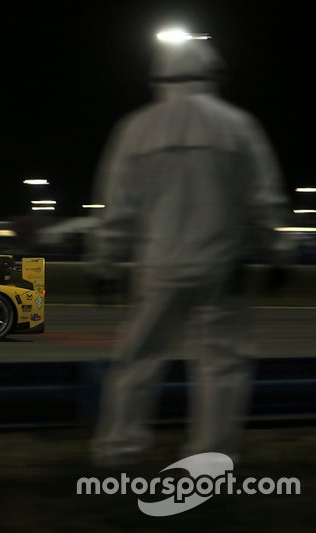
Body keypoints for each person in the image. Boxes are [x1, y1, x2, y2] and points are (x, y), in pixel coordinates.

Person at [87, 35, 292, 466]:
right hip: (222, 267)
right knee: (221, 367)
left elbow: (118, 205)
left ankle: (118, 449)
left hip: (159, 264)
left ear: (159, 77)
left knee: (138, 361)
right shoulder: (237, 125)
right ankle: (209, 458)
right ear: (212, 74)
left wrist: (104, 262)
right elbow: (263, 198)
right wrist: (276, 252)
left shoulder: (136, 128)